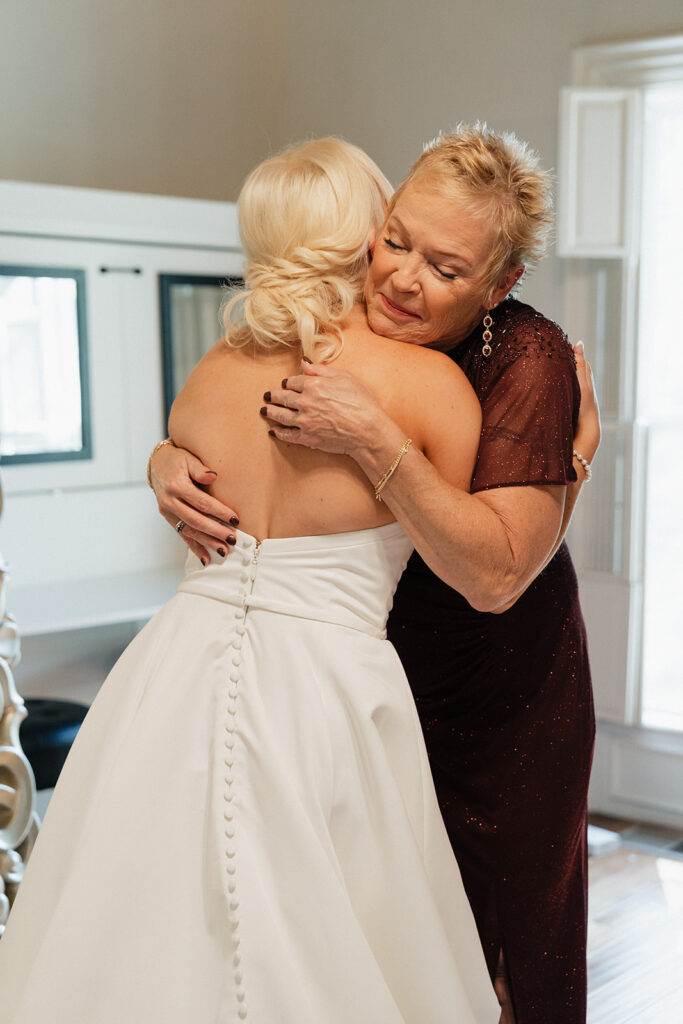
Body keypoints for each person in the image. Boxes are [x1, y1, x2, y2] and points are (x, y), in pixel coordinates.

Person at [0, 139, 500, 1024]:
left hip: (173, 669)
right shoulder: (430, 386)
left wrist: (163, 459)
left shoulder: (204, 380)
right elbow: (465, 555)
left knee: (142, 920)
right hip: (329, 682)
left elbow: (194, 476)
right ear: (362, 238)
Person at [150, 126, 600, 1024]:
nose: (399, 278)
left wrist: (372, 436)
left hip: (502, 695)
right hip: (377, 675)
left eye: (442, 267)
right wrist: (166, 459)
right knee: (367, 934)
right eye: (393, 240)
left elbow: (496, 575)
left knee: (500, 962)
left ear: (498, 285)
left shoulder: (526, 359)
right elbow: (234, 422)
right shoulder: (340, 330)